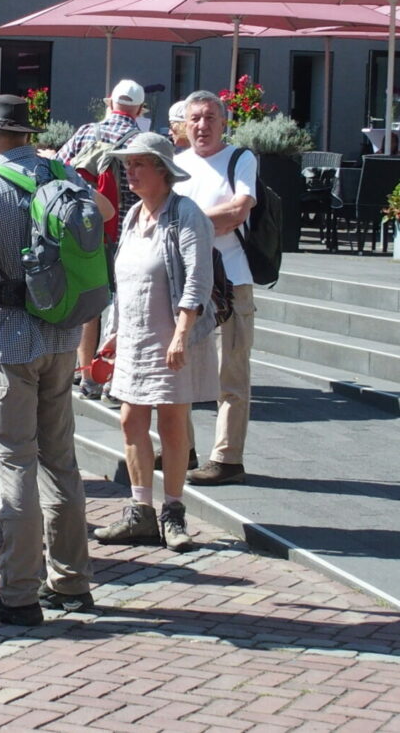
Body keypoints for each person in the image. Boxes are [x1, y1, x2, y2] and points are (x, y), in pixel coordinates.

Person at [0, 95, 107, 625]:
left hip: (9, 342)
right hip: (61, 334)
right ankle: (73, 583)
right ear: (26, 135)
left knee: (13, 463)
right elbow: (103, 213)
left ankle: (18, 593)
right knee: (61, 462)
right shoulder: (62, 172)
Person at [93, 132, 217, 552]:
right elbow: (124, 286)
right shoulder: (132, 217)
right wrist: (111, 338)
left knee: (172, 424)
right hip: (134, 337)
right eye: (126, 164)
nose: (129, 171)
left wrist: (182, 333)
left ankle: (174, 513)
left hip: (172, 337)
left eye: (139, 163)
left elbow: (198, 279)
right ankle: (140, 512)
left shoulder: (186, 214)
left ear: (162, 170)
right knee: (130, 421)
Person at [176, 89, 257, 487]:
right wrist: (210, 222)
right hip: (188, 284)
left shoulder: (241, 159)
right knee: (181, 372)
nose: (202, 126)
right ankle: (182, 448)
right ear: (184, 124)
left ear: (224, 122)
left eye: (210, 118)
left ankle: (227, 458)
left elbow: (239, 210)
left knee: (231, 374)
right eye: (195, 119)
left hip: (233, 282)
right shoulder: (176, 164)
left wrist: (188, 224)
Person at [57, 78, 146, 400]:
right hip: (127, 235)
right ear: (138, 109)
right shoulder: (140, 140)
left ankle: (87, 378)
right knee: (125, 307)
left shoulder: (86, 132)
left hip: (86, 232)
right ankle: (113, 377)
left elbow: (61, 166)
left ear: (110, 103)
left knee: (89, 306)